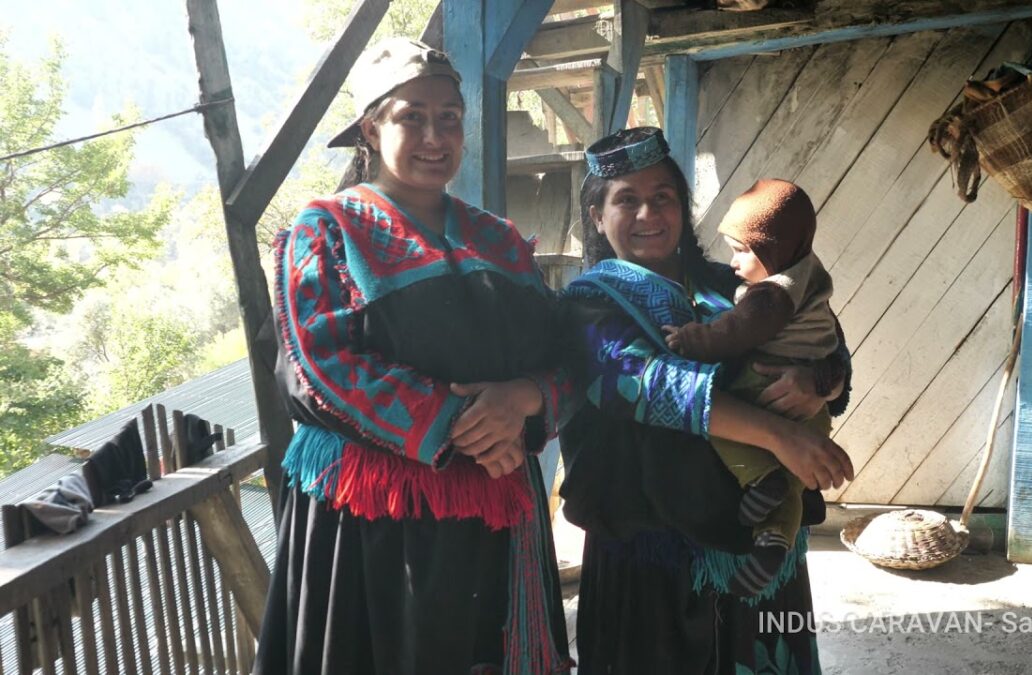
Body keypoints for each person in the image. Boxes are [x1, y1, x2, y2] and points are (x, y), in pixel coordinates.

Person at [254, 38, 572, 675]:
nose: (436, 135)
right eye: (411, 116)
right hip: (376, 521)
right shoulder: (327, 231)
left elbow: (566, 352)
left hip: (497, 505)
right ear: (372, 127)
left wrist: (524, 399)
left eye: (449, 116)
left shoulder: (500, 240)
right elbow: (321, 366)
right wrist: (463, 427)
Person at [558, 127, 854, 674]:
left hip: (761, 550)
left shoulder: (737, 285)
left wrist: (823, 379)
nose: (648, 213)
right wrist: (777, 435)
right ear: (598, 215)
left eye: (663, 197)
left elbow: (828, 340)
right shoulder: (588, 304)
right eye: (627, 199)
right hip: (649, 551)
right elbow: (638, 384)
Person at [663, 178, 844, 597]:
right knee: (794, 480)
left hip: (765, 385)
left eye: (663, 197)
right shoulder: (807, 274)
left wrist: (692, 339)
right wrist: (818, 383)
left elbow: (734, 333)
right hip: (806, 417)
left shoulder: (771, 294)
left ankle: (761, 480)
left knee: (716, 420)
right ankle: (773, 540)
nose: (732, 262)